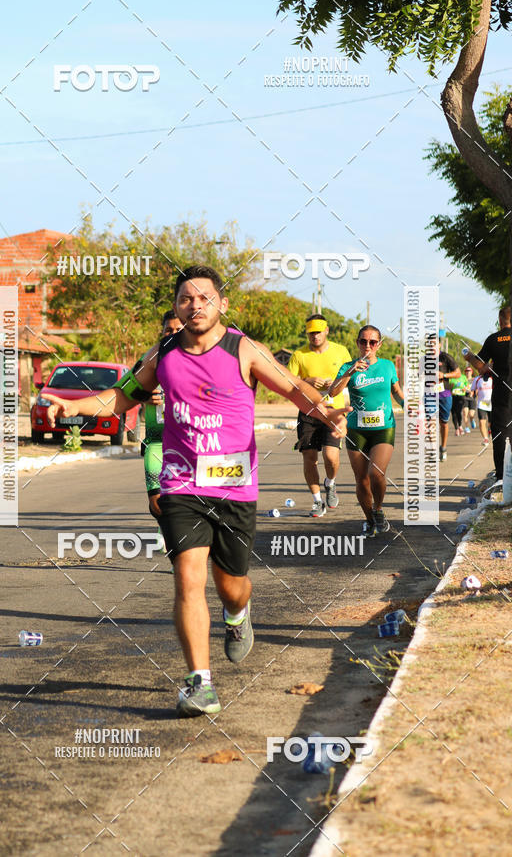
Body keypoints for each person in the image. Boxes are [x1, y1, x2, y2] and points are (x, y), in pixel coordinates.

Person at [46, 265, 349, 718]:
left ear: (221, 304)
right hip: (180, 483)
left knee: (232, 587)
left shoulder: (242, 348)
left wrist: (327, 413)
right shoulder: (163, 352)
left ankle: (238, 615)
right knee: (188, 579)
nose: (195, 305)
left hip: (233, 487)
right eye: (186, 298)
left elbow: (292, 388)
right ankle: (198, 682)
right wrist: (72, 405)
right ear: (176, 306)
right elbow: (121, 397)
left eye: (204, 297)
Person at [329, 325, 404, 537]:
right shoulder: (347, 367)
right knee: (361, 479)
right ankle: (370, 519)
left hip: (383, 428)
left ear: (379, 345)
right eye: (363, 342)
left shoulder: (388, 367)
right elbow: (333, 391)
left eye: (372, 342)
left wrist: (409, 407)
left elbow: (396, 392)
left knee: (376, 473)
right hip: (356, 430)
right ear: (357, 343)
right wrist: (350, 372)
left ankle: (378, 509)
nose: (367, 346)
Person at [287, 314, 351, 516]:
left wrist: (335, 385)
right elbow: (288, 381)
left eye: (318, 332)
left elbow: (350, 376)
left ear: (327, 331)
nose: (314, 336)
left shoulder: (341, 351)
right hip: (308, 413)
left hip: (333, 412)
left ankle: (330, 483)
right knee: (309, 457)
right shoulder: (299, 354)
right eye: (311, 333)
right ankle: (317, 501)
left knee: (330, 457)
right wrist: (307, 380)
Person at [141, 310, 183, 520]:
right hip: (156, 442)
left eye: (178, 329)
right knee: (156, 501)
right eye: (168, 330)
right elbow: (129, 392)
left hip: (186, 444)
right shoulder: (151, 360)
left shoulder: (197, 361)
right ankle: (165, 525)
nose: (173, 334)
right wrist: (144, 396)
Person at [463, 305, 512, 480]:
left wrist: (469, 357)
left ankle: (502, 478)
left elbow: (481, 367)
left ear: (500, 321)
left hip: (502, 394)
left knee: (501, 434)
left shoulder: (493, 339)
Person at [471, 370, 493, 445]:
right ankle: (485, 439)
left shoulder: (492, 378)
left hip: (491, 404)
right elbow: (472, 390)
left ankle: (490, 429)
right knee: (481, 421)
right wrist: (472, 394)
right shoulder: (477, 379)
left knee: (491, 423)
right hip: (481, 404)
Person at [450, 368, 468, 437]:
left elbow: (467, 385)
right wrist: (450, 389)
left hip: (461, 397)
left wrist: (465, 388)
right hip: (453, 396)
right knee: (453, 413)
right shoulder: (451, 378)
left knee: (458, 411)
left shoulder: (463, 377)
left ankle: (460, 425)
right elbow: (448, 386)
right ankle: (456, 429)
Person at [461, 365, 476, 433]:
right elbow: (460, 387)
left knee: (471, 414)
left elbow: (477, 388)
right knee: (465, 413)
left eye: (469, 371)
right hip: (465, 397)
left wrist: (473, 392)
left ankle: (472, 420)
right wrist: (462, 389)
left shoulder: (474, 380)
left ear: (471, 372)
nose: (468, 372)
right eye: (466, 371)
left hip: (472, 398)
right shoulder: (463, 379)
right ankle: (467, 427)